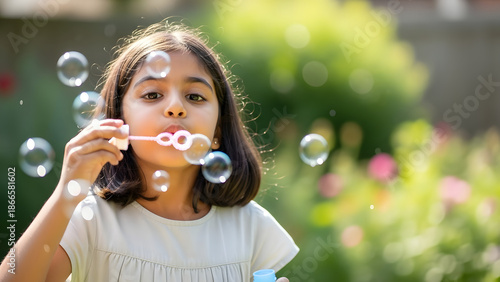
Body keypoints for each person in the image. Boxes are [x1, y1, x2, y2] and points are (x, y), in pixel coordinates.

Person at [0, 20, 298, 281]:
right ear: (119, 120)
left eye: (195, 96)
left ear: (218, 132)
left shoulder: (250, 228)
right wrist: (67, 191)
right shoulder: (92, 222)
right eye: (153, 94)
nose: (175, 108)